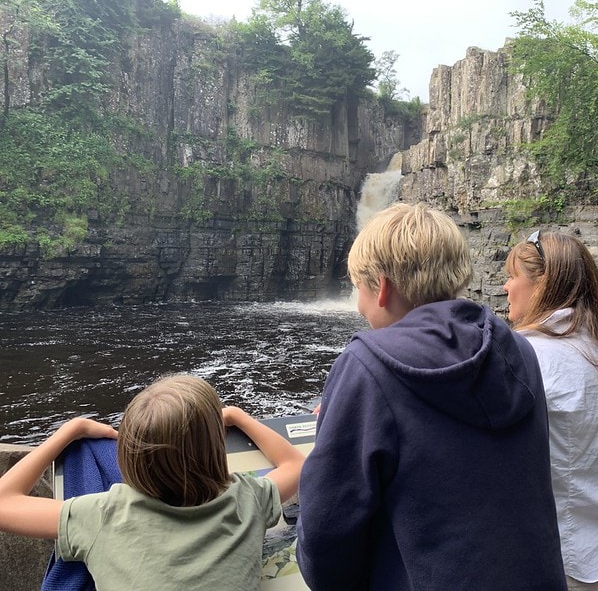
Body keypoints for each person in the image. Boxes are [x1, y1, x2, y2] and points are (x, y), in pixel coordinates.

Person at [296, 202, 566, 591]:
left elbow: (325, 535)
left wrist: (335, 421)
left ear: (382, 287)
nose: (358, 307)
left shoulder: (368, 366)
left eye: (360, 289)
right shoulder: (516, 350)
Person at [0, 374, 305, 590]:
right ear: (216, 447)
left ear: (128, 455)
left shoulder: (100, 515)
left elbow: (4, 502)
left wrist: (70, 430)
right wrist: (239, 416)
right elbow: (297, 464)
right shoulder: (247, 499)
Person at [503, 230, 598, 591]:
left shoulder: (531, 353)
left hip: (552, 560)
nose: (505, 286)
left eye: (513, 276)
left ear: (542, 282)